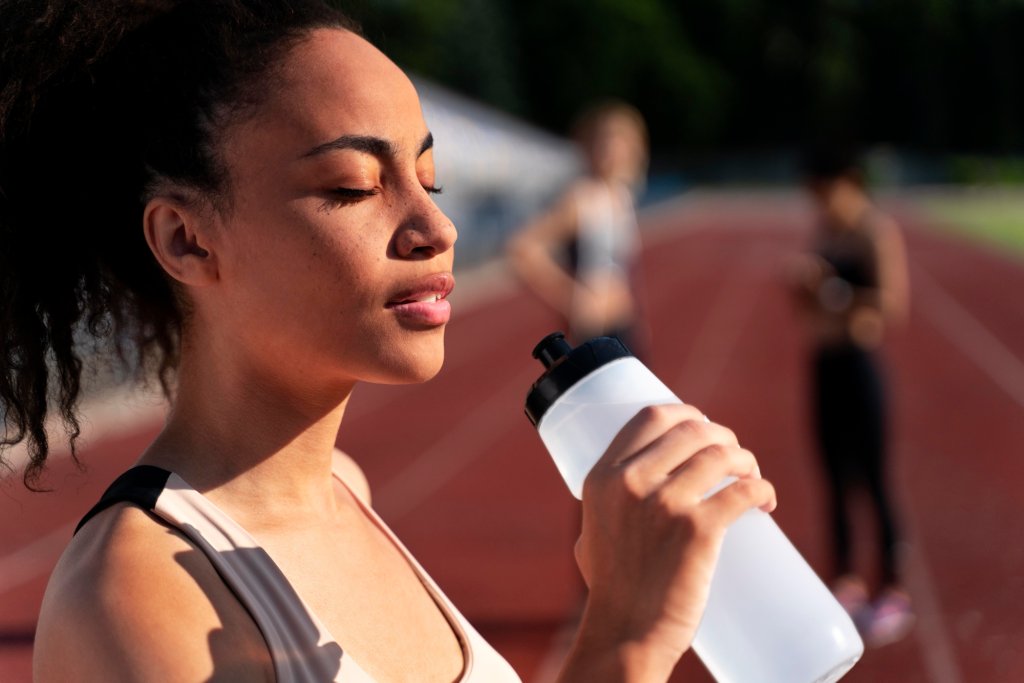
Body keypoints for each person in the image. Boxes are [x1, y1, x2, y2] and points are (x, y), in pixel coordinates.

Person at [0, 2, 776, 680]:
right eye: (352, 187)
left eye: (428, 179)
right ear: (187, 239)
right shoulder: (132, 594)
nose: (437, 228)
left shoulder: (347, 490)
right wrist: (623, 643)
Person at [787, 146, 914, 647]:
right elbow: (809, 307)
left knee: (875, 479)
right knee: (833, 479)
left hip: (861, 366)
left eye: (825, 192)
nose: (819, 202)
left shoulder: (874, 232)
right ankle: (844, 581)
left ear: (850, 182)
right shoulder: (827, 231)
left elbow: (892, 304)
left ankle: (894, 588)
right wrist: (804, 289)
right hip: (824, 364)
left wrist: (834, 291)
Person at [507, 101, 648, 355]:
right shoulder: (578, 199)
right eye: (604, 141)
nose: (613, 150)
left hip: (624, 322)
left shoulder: (622, 194)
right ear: (588, 146)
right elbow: (522, 249)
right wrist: (570, 297)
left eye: (621, 141)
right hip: (592, 329)